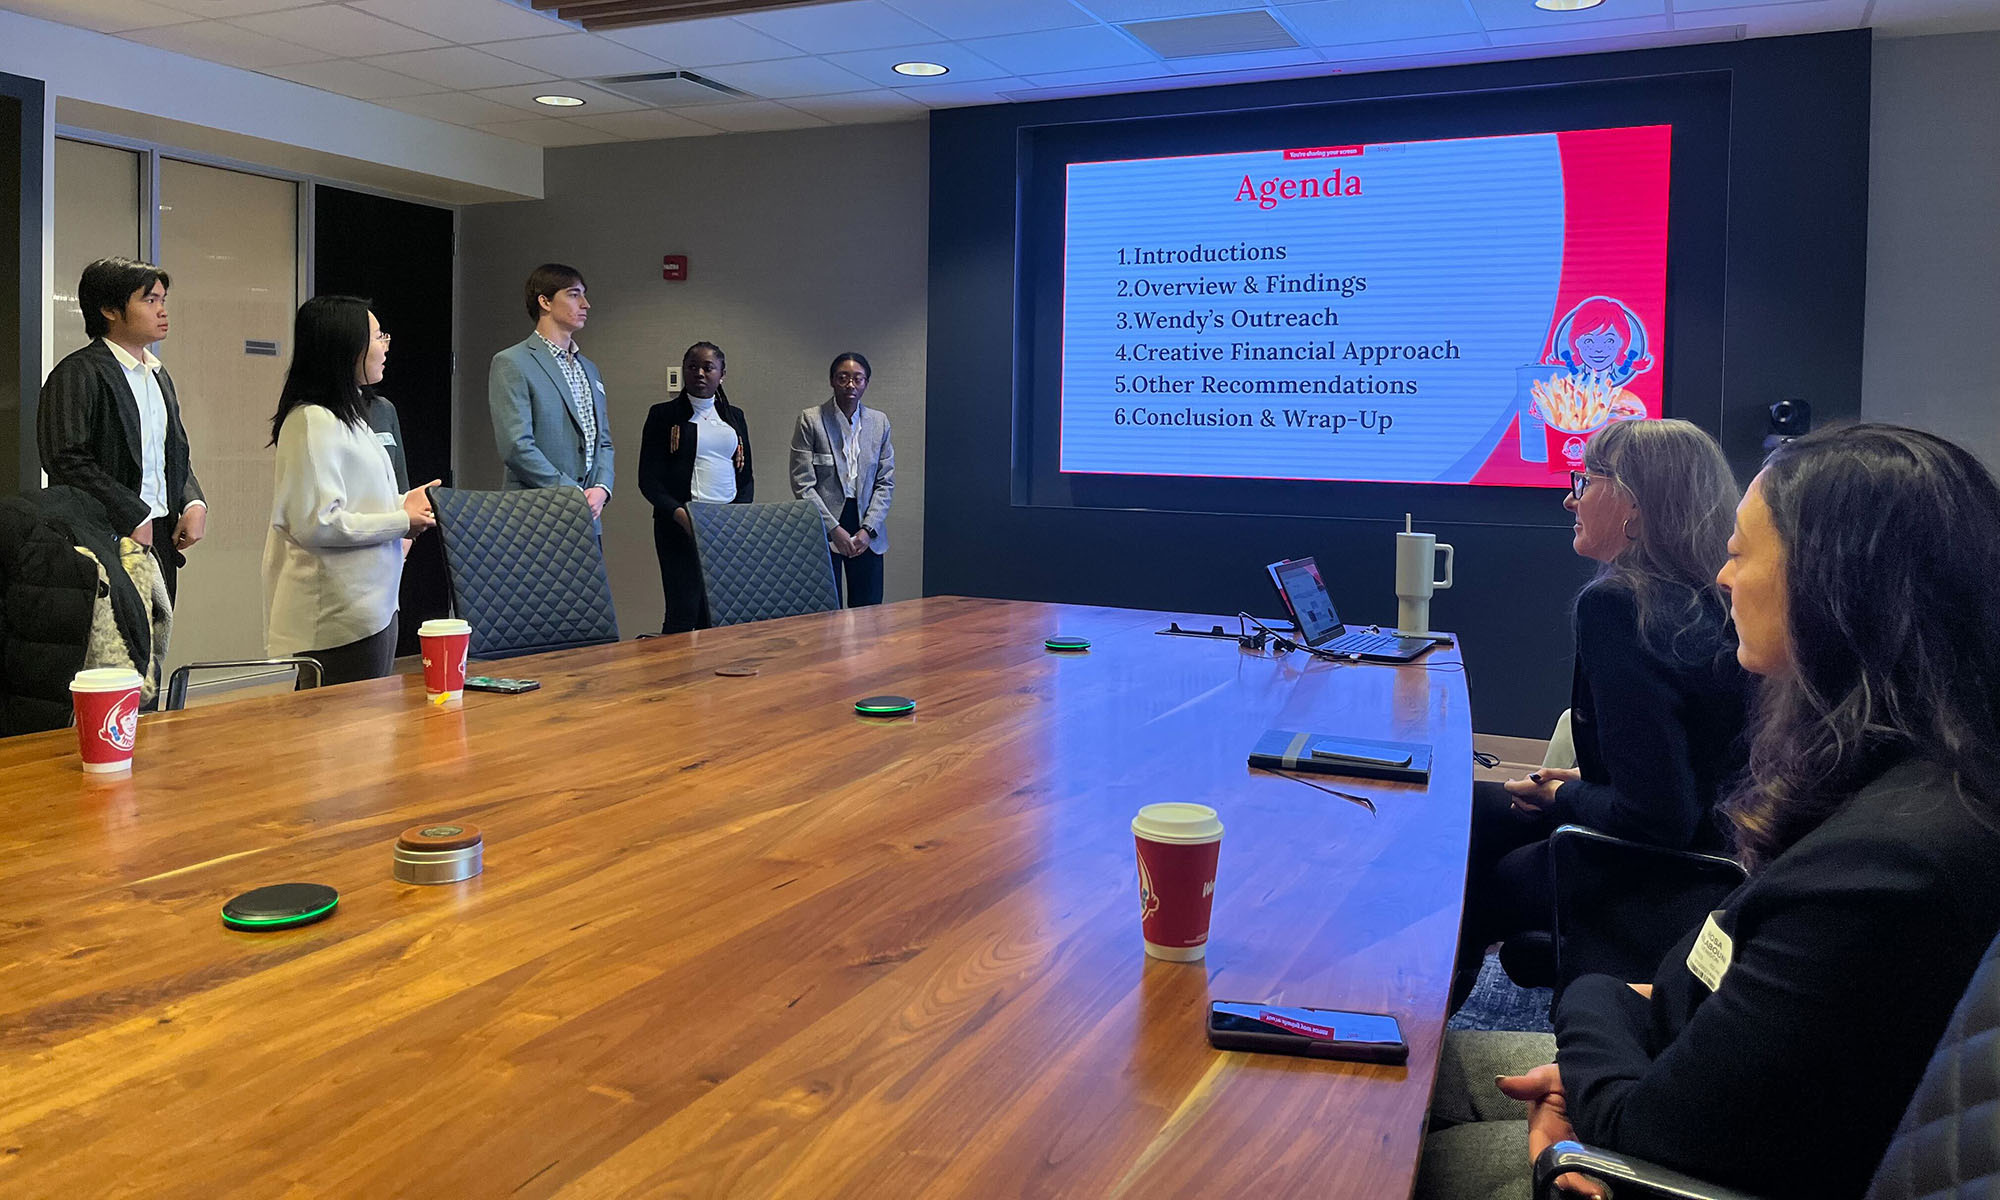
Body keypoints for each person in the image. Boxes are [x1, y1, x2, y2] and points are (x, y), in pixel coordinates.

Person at [1417, 423, 2000, 1200]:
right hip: (1674, 1064)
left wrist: (1598, 1001)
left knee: (1337, 1146)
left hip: (1636, 1160)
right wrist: (1625, 1022)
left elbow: (1642, 1124)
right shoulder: (1908, 783)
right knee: (1399, 1072)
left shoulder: (1889, 863)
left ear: (1832, 585)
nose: (1724, 579)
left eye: (1741, 554)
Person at [1454, 418, 1750, 1007]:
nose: (1570, 496)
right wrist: (1576, 784)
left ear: (1634, 507)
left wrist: (1563, 797)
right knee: (1475, 809)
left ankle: (1408, 1059)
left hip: (1661, 867)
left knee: (1463, 881)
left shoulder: (1618, 605)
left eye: (1585, 480)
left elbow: (1655, 816)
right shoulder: (1713, 596)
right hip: (1723, 851)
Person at [263, 297, 438, 685]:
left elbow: (359, 503)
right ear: (347, 346)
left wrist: (405, 504)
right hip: (340, 613)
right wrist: (400, 520)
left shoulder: (354, 414)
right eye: (378, 336)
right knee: (336, 735)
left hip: (373, 604)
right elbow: (317, 524)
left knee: (369, 732)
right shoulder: (311, 420)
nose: (386, 345)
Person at [37, 256, 207, 602]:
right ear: (110, 310)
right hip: (101, 534)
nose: (162, 311)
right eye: (149, 300)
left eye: (162, 300)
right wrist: (131, 512)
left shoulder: (158, 375)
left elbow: (171, 452)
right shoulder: (79, 372)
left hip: (158, 533)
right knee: (112, 650)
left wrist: (193, 503)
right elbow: (65, 458)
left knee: (153, 645)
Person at [637, 341, 752, 633]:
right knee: (684, 608)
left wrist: (737, 518)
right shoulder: (663, 415)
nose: (699, 373)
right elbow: (648, 479)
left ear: (722, 374)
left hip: (726, 526)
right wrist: (680, 514)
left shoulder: (734, 417)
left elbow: (746, 476)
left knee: (719, 609)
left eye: (708, 367)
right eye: (692, 367)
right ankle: (676, 676)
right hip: (680, 524)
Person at [488, 263, 614, 524]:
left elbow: (604, 442)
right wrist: (569, 492)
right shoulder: (512, 362)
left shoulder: (590, 369)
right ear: (544, 301)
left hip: (588, 516)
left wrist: (602, 488)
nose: (585, 304)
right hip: (535, 514)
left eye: (583, 294)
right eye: (573, 294)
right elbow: (516, 447)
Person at [789, 352, 894, 607]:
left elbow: (885, 482)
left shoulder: (879, 422)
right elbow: (803, 483)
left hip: (866, 525)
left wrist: (868, 530)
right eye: (843, 378)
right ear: (832, 381)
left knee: (868, 610)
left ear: (866, 383)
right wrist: (834, 529)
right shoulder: (811, 420)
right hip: (825, 525)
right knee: (826, 611)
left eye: (858, 379)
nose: (850, 385)